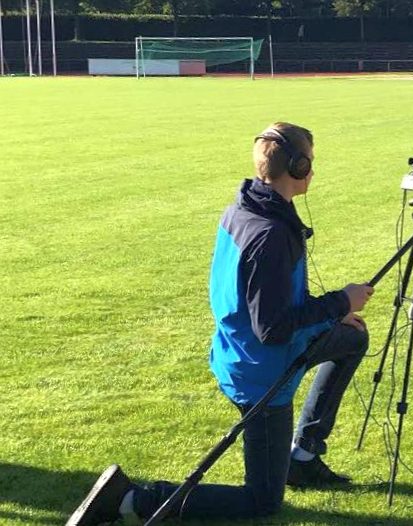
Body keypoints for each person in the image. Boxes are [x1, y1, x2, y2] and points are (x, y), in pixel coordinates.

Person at [67, 122, 374, 524]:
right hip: (260, 370)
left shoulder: (248, 206)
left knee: (352, 337)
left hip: (248, 346)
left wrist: (335, 314)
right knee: (263, 502)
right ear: (296, 168)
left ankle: (304, 454)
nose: (313, 171)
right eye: (310, 163)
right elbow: (274, 328)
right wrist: (340, 301)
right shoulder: (271, 234)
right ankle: (134, 499)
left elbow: (269, 305)